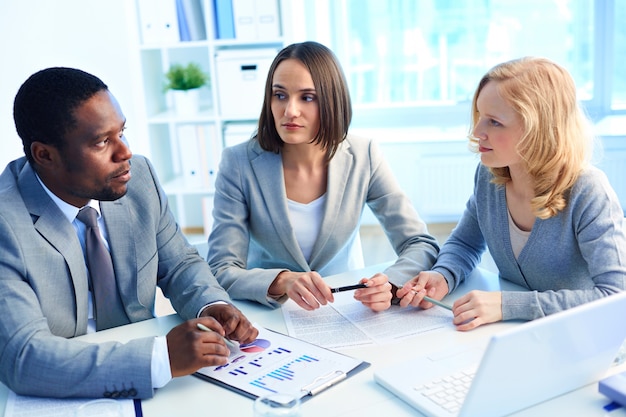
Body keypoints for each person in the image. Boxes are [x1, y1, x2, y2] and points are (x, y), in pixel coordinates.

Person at [0, 67, 258, 399]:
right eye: (102, 142)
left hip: (159, 386)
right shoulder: (7, 224)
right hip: (63, 391)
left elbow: (179, 264)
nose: (125, 153)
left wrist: (211, 305)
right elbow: (24, 358)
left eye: (122, 132)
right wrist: (160, 358)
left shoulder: (138, 178)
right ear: (45, 155)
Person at [396, 57, 626, 330]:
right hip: (519, 335)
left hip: (581, 339)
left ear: (537, 130)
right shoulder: (489, 177)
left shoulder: (588, 191)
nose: (477, 132)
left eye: (494, 122)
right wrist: (442, 275)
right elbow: (465, 244)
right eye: (480, 117)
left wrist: (508, 305)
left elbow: (616, 297)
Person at [207, 41, 439, 312]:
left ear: (331, 101)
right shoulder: (238, 163)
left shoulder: (364, 155)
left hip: (348, 308)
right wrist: (281, 280)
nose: (289, 111)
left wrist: (391, 283)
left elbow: (420, 243)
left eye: (307, 97)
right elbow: (221, 268)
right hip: (272, 313)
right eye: (279, 95)